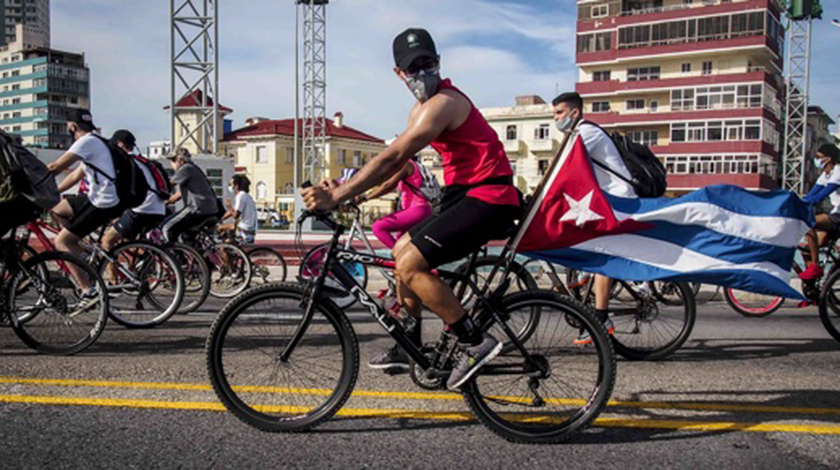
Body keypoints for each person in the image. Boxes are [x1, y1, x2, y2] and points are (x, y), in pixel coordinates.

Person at [302, 28, 520, 389]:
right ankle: (411, 343)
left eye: (427, 64)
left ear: (438, 63)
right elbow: (394, 158)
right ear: (398, 73)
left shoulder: (444, 103)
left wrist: (340, 196)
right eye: (412, 68)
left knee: (409, 263)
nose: (420, 73)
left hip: (489, 197)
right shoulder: (419, 110)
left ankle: (473, 341)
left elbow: (394, 157)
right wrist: (341, 185)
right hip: (464, 194)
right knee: (401, 251)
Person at [551, 91, 636, 344]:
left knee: (603, 256)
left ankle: (601, 319)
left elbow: (561, 167)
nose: (555, 119)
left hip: (619, 199)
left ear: (574, 113)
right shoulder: (575, 133)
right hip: (604, 200)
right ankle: (585, 274)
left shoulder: (586, 132)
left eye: (559, 113)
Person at [47, 109, 124, 298]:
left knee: (62, 241)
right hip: (102, 197)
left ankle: (87, 290)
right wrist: (56, 191)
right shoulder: (97, 141)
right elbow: (76, 174)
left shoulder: (85, 142)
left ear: (72, 126)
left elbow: (56, 167)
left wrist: (35, 182)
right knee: (57, 209)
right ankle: (81, 249)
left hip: (102, 201)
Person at [101, 130, 166, 251]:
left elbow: (121, 190)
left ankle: (109, 270)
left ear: (119, 144)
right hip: (159, 209)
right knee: (128, 240)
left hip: (142, 210)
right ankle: (139, 265)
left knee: (107, 241)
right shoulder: (142, 161)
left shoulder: (126, 163)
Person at [362, 157, 433, 250]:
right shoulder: (416, 166)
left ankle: (399, 257)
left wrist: (365, 198)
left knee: (378, 227)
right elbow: (389, 187)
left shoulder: (406, 164)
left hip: (416, 210)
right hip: (422, 210)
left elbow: (387, 185)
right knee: (400, 241)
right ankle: (406, 261)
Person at [799, 144, 840, 281]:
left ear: (828, 159)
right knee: (807, 250)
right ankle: (813, 288)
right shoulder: (825, 174)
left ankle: (815, 266)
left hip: (838, 216)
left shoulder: (838, 172)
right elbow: (812, 195)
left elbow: (821, 195)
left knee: (808, 223)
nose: (815, 160)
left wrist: (808, 202)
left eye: (818, 157)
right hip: (835, 214)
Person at [161, 148, 219, 243]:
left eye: (173, 160)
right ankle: (198, 256)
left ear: (180, 160)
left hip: (197, 208)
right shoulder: (194, 168)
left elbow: (167, 186)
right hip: (210, 209)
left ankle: (173, 257)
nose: (171, 164)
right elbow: (179, 195)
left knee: (166, 228)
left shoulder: (185, 169)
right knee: (186, 236)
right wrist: (166, 202)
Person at [218, 174, 258, 243]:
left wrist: (228, 206)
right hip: (249, 229)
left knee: (219, 229)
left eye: (231, 184)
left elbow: (235, 215)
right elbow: (231, 212)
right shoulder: (246, 196)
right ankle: (229, 246)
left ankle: (226, 246)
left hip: (244, 229)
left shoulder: (240, 196)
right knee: (224, 230)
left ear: (236, 186)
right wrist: (220, 219)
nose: (230, 186)